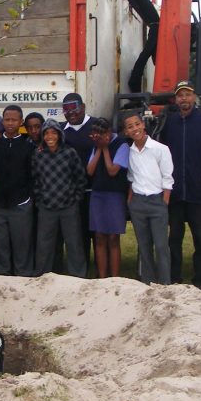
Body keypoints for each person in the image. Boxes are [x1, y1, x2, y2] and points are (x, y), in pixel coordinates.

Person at [158, 80, 201, 288]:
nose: (183, 99)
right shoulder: (170, 123)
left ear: (194, 98)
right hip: (176, 193)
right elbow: (162, 154)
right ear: (176, 99)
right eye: (180, 95)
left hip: (199, 193)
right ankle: (175, 278)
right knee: (174, 238)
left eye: (187, 95)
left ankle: (200, 280)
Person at [119, 111, 173, 284]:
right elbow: (131, 177)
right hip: (138, 203)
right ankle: (148, 282)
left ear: (143, 125)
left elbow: (167, 178)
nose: (134, 129)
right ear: (126, 132)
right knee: (144, 246)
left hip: (157, 201)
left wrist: (164, 201)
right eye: (130, 127)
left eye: (137, 124)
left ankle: (165, 283)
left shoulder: (160, 149)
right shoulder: (130, 152)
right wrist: (131, 201)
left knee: (161, 246)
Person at [32, 119, 87, 277]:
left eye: (53, 133)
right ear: (43, 136)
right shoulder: (38, 154)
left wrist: (75, 197)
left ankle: (78, 276)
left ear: (59, 135)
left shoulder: (69, 153)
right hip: (46, 206)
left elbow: (80, 177)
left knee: (74, 242)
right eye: (47, 133)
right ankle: (43, 275)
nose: (50, 136)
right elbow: (35, 178)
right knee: (44, 243)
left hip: (69, 205)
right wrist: (40, 198)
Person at [0, 105, 35, 276]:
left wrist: (28, 198)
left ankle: (23, 278)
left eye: (14, 120)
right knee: (0, 245)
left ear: (21, 122)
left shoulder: (28, 145)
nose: (10, 123)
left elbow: (32, 174)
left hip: (20, 204)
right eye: (7, 119)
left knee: (22, 244)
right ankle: (3, 278)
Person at [86, 117, 129, 279]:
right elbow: (90, 170)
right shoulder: (95, 146)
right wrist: (98, 148)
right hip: (98, 194)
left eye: (102, 134)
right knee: (99, 236)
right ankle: (102, 277)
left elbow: (112, 170)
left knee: (112, 237)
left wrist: (104, 149)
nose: (100, 137)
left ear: (109, 131)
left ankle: (115, 277)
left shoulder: (122, 145)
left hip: (114, 195)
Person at [61, 93, 95, 268]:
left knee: (97, 233)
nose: (70, 112)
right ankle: (83, 270)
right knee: (78, 233)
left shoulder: (95, 125)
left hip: (95, 191)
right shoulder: (60, 131)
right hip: (72, 192)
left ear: (82, 107)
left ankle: (103, 273)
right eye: (66, 109)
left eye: (73, 107)